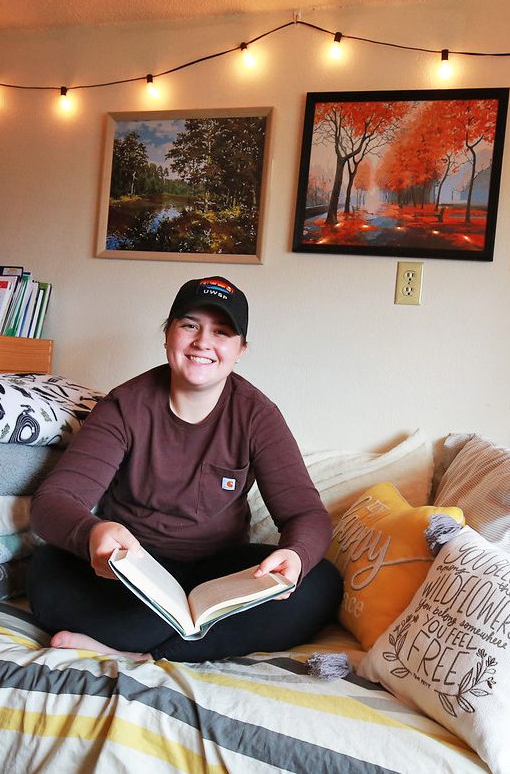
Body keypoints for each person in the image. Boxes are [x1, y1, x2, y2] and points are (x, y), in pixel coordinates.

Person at [27, 275, 342, 662]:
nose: (202, 342)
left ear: (241, 349)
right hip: (132, 570)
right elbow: (53, 501)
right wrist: (95, 531)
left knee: (322, 583)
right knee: (43, 569)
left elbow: (306, 514)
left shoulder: (258, 415)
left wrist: (295, 555)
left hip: (218, 576)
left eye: (222, 332)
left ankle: (133, 651)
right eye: (189, 325)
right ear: (167, 335)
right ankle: (178, 647)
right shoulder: (125, 405)